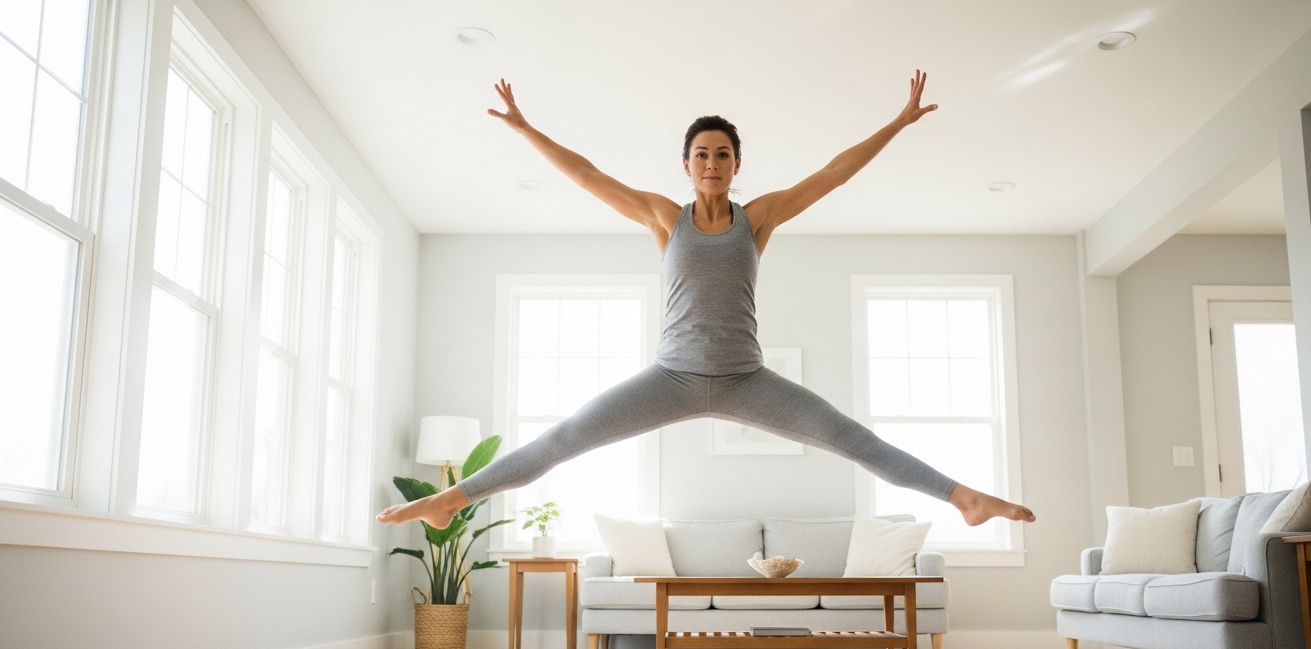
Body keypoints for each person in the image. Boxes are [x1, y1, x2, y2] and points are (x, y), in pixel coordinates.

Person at [379, 71, 1035, 530]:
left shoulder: (761, 218)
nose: (712, 162)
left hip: (746, 378)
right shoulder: (666, 217)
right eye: (701, 154)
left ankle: (965, 499)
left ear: (736, 163)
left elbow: (834, 171)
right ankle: (451, 501)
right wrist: (526, 129)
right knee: (568, 436)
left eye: (722, 154)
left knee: (847, 436)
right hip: (671, 377)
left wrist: (896, 122)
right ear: (687, 165)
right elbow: (587, 174)